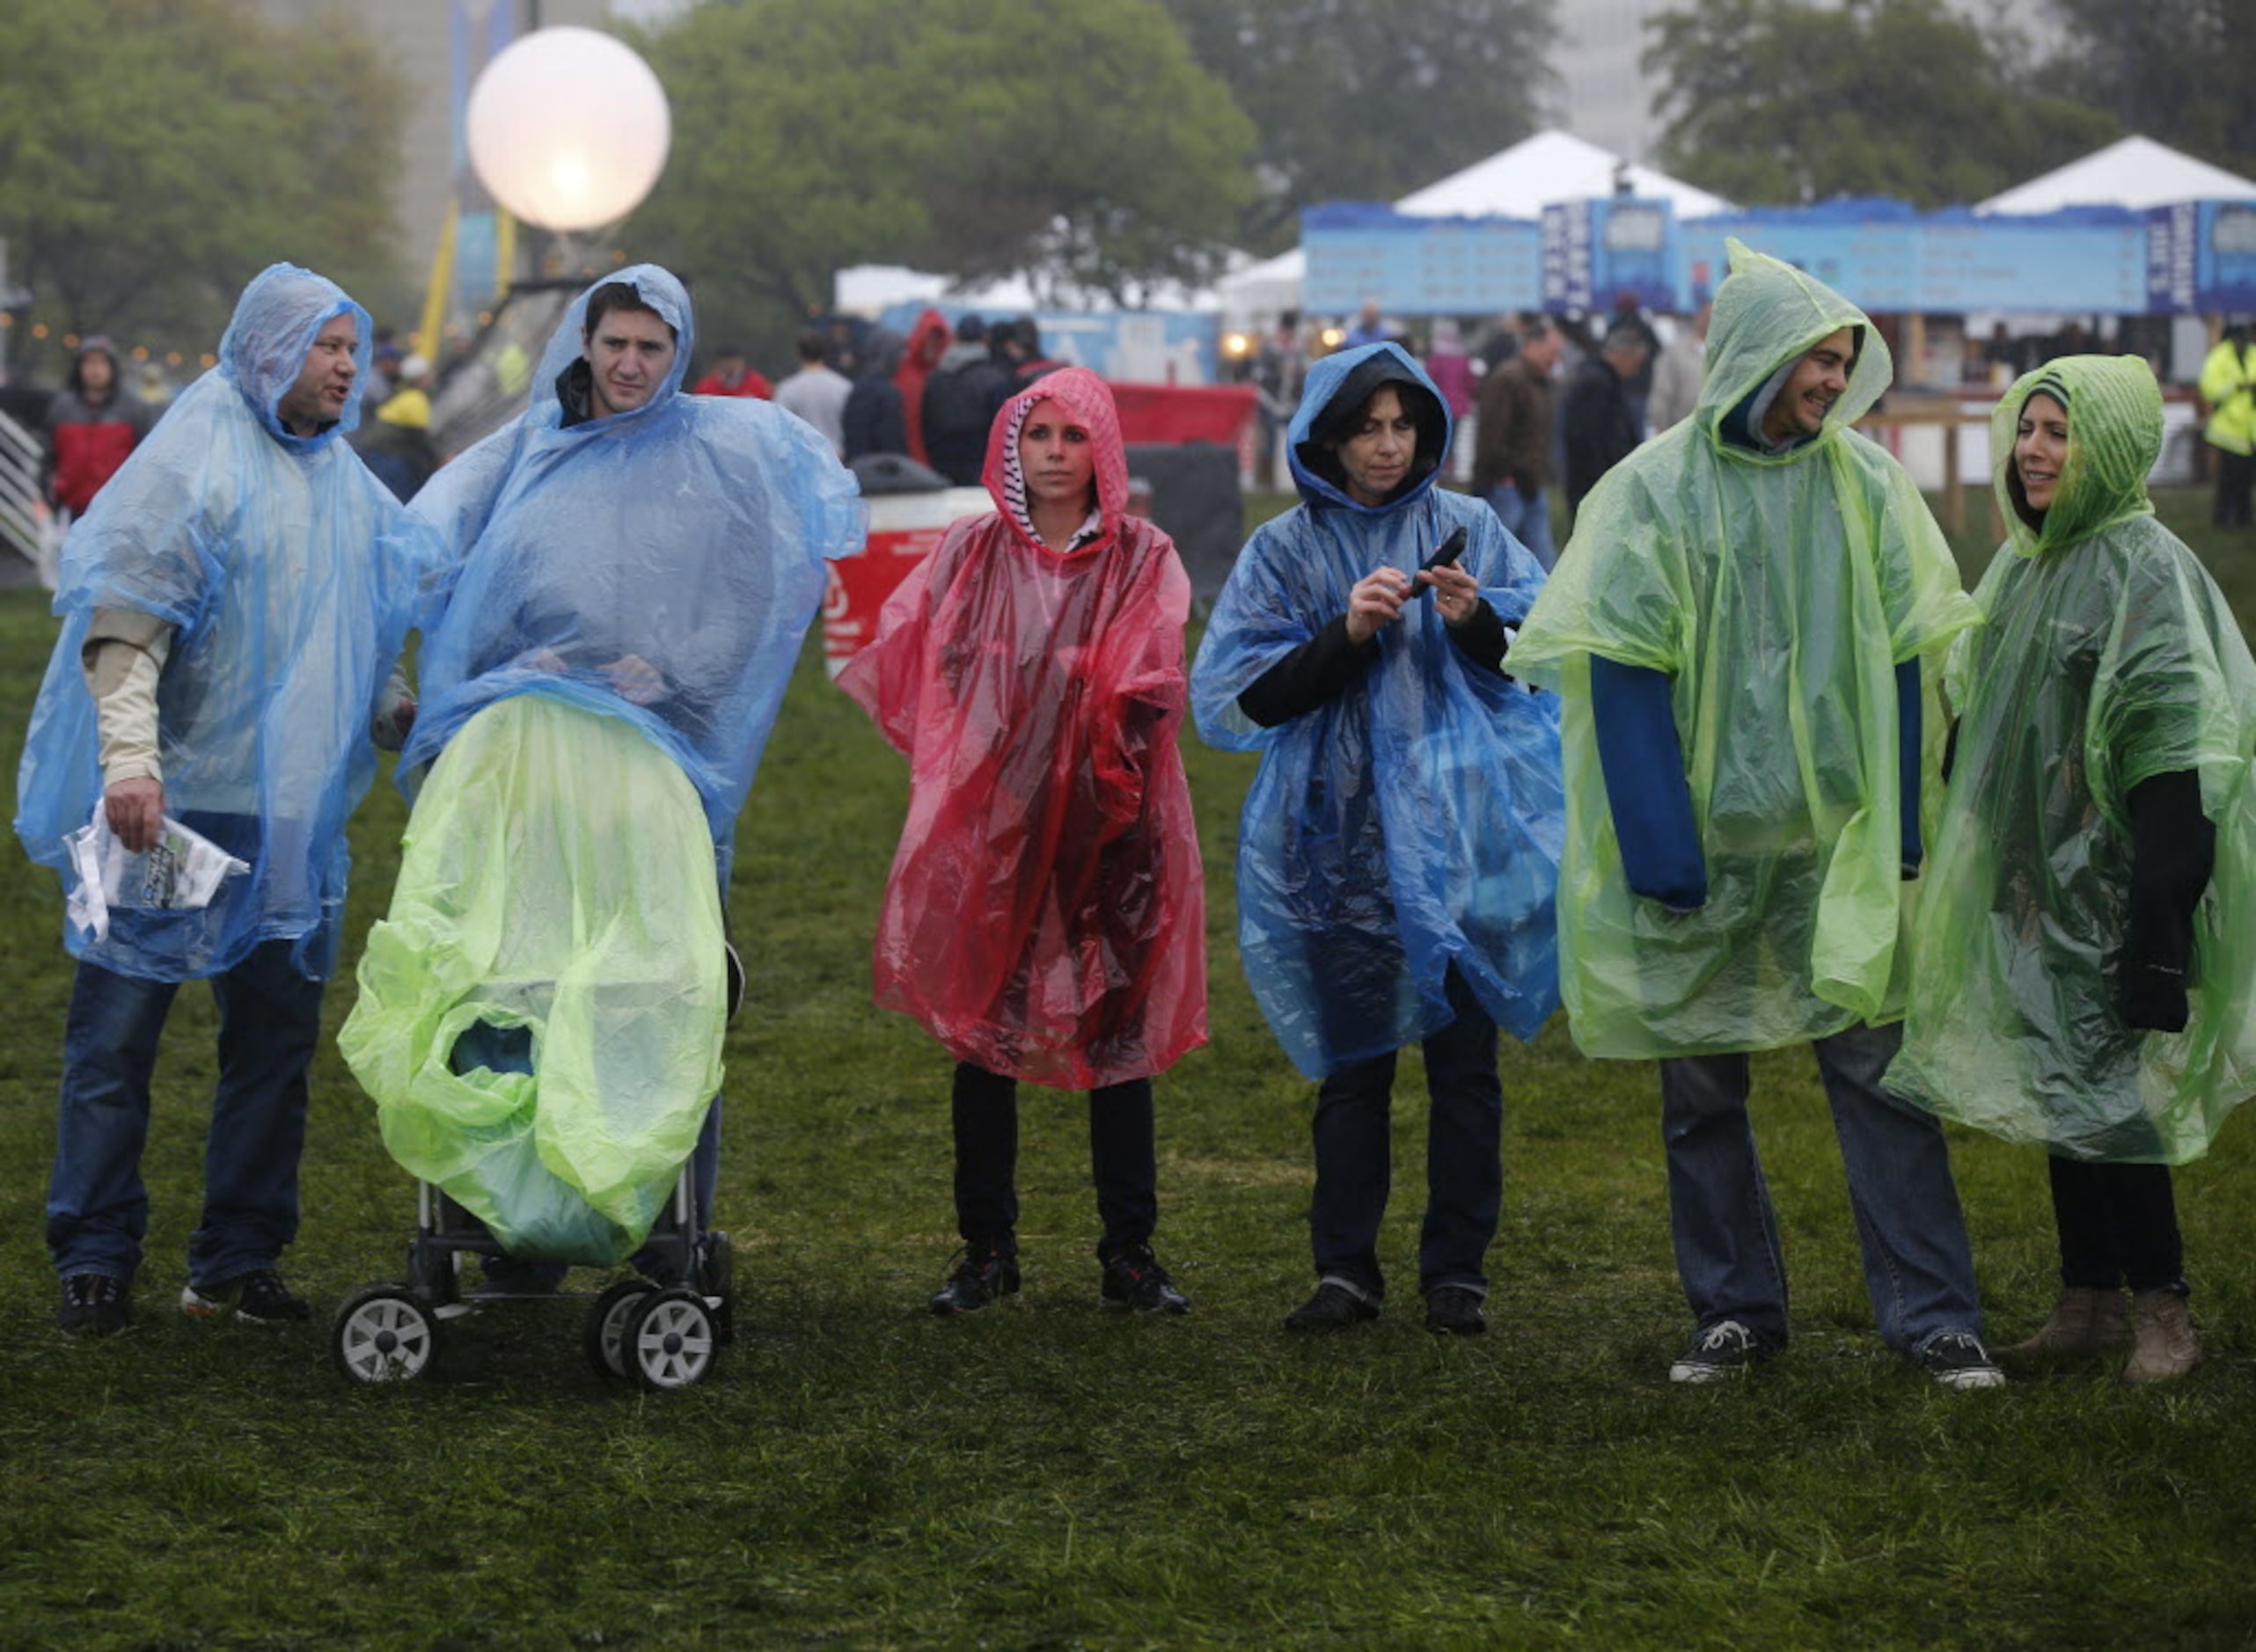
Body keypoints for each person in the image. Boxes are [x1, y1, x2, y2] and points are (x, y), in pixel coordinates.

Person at [1505, 239, 2004, 1390]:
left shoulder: (1865, 484)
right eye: (1815, 361)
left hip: (1835, 847)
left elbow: (1902, 649)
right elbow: (1623, 670)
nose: (1833, 383)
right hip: (1709, 848)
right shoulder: (1651, 492)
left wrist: (1902, 820)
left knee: (1882, 1078)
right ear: (1754, 357)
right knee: (1700, 1089)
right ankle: (1734, 1308)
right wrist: (1659, 843)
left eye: (1842, 362)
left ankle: (1934, 1315)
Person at [340, 267, 862, 1293]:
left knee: (665, 980)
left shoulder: (710, 458)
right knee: (516, 977)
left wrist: (676, 670)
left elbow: (755, 591)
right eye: (613, 344)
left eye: (649, 348)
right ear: (585, 344)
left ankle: (669, 1231)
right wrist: (498, 664)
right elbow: (437, 551)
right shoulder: (530, 446)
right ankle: (513, 1219)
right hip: (534, 766)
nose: (628, 365)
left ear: (679, 353)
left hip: (656, 769)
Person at [15, 265, 429, 1336]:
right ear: (267, 351)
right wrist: (128, 768)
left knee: (274, 1047)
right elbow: (125, 632)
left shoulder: (347, 483)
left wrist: (389, 702)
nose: (347, 365)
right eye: (326, 346)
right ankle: (95, 1256)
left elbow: (355, 625)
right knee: (116, 1037)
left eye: (352, 346)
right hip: (170, 804)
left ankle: (237, 1259)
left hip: (286, 816)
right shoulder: (190, 465)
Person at [1887, 356, 2256, 1385]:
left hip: (2116, 887)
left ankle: (2161, 1308)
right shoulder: (2027, 559)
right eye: (2027, 430)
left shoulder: (2143, 567)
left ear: (2112, 446)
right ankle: (2086, 1299)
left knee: (2113, 1100)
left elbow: (2170, 742)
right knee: (2061, 1083)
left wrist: (2158, 914)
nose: (2034, 451)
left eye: (2058, 433)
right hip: (2033, 885)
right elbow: (1987, 706)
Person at [1190, 342, 1563, 1338]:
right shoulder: (1284, 550)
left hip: (1460, 840)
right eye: (1367, 427)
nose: (1387, 445)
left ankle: (1457, 1271)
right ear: (1326, 436)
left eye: (1402, 424)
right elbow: (1239, 699)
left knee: (1463, 1069)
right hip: (1334, 843)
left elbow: (1543, 662)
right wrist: (1340, 637)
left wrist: (1475, 622)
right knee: (1354, 1065)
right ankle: (1344, 1269)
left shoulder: (1469, 528)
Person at [838, 368, 1205, 1316]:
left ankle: (1129, 1251)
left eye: (1071, 436)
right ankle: (985, 1247)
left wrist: (1088, 746)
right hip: (997, 829)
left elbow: (1149, 675)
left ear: (1102, 450)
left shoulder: (1141, 554)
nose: (1052, 453)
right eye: (1036, 434)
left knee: (1116, 1039)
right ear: (1012, 444)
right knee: (983, 1036)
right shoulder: (971, 552)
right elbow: (933, 662)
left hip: (1111, 827)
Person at [1470, 314, 1562, 570]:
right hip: (1506, 485)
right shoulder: (1507, 380)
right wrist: (1505, 474)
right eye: (1552, 352)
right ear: (1532, 345)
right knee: (1493, 563)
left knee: (1541, 565)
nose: (1556, 360)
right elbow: (1492, 437)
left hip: (1531, 483)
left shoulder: (1539, 383)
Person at [42, 336, 154, 524]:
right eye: (89, 362)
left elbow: (147, 461)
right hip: (73, 509)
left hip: (119, 513)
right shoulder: (62, 408)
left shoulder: (133, 409)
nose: (95, 369)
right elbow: (49, 457)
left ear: (112, 367)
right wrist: (48, 497)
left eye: (101, 362)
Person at [1559, 318, 1651, 529]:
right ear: (1622, 354)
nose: (1637, 369)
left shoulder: (1604, 380)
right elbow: (1589, 440)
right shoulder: (1598, 384)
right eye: (1637, 361)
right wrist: (1605, 482)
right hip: (1594, 486)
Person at [918, 315, 1013, 486]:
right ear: (985, 338)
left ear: (956, 337)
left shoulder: (935, 377)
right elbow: (1004, 432)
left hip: (941, 466)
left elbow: (926, 424)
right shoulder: (995, 379)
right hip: (981, 469)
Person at [352, 352, 438, 503]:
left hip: (373, 454)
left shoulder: (402, 395)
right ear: (421, 378)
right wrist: (437, 461)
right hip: (388, 460)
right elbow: (419, 439)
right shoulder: (416, 400)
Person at [2197, 322, 2254, 530]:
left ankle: (2243, 517)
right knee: (2228, 480)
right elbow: (2209, 389)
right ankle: (2222, 519)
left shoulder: (2252, 354)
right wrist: (2236, 386)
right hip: (2228, 431)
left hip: (2249, 431)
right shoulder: (2219, 357)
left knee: (2246, 480)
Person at [1249, 311, 1307, 491]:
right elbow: (1259, 376)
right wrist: (1279, 373)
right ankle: (1266, 482)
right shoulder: (1269, 349)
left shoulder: (1297, 350)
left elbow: (1302, 377)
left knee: (1297, 439)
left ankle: (1297, 479)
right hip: (1270, 401)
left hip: (1290, 402)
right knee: (1269, 442)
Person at [893, 308, 951, 469]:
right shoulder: (905, 375)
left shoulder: (940, 375)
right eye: (929, 338)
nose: (932, 345)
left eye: (937, 339)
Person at [842, 330, 910, 462]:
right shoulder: (887, 392)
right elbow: (892, 440)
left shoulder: (859, 386)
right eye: (900, 351)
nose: (904, 357)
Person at [1644, 303, 1710, 433]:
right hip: (1682, 430)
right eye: (1707, 315)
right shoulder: (1675, 352)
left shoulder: (1728, 353)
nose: (1711, 320)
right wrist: (1661, 428)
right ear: (1698, 317)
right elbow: (1662, 392)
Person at [691, 344, 773, 401]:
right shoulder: (706, 387)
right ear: (718, 363)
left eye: (734, 361)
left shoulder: (757, 383)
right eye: (726, 362)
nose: (730, 365)